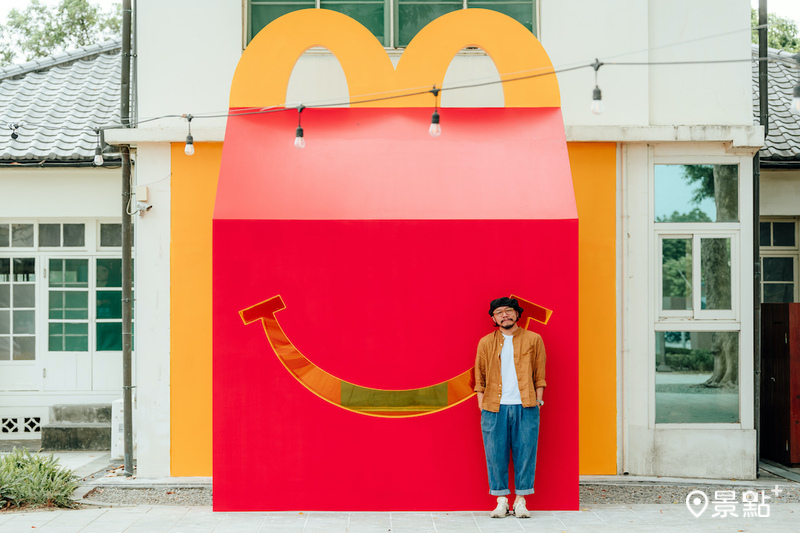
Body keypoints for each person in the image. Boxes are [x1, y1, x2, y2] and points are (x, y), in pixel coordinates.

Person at [474, 296, 545, 518]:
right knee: (495, 455)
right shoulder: (486, 342)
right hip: (494, 408)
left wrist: (538, 402)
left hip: (526, 406)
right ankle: (502, 500)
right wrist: (482, 405)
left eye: (508, 311)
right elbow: (480, 377)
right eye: (499, 312)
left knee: (526, 454)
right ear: (494, 318)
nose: (504, 315)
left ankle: (521, 500)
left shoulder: (534, 339)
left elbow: (540, 375)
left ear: (517, 314)